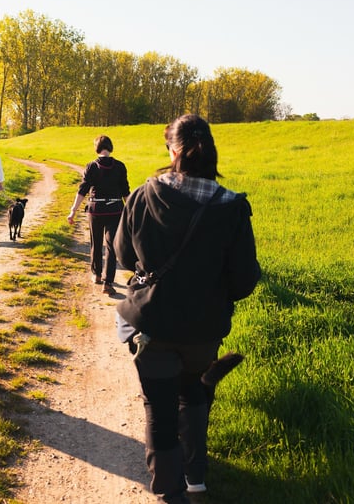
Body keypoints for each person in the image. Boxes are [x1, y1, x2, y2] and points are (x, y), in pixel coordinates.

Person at [114, 114, 260, 504]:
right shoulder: (232, 206)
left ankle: (170, 492)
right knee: (194, 392)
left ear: (172, 151)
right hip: (204, 332)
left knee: (160, 410)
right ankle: (196, 478)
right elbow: (244, 281)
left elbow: (123, 255)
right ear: (210, 151)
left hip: (154, 326)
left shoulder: (144, 196)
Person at [67, 135, 130, 295]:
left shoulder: (92, 166)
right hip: (115, 210)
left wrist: (73, 210)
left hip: (96, 210)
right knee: (112, 246)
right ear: (110, 147)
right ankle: (108, 282)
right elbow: (126, 192)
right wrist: (131, 212)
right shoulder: (120, 166)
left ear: (97, 148)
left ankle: (96, 275)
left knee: (96, 243)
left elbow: (82, 190)